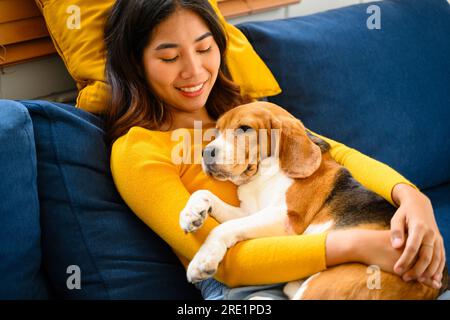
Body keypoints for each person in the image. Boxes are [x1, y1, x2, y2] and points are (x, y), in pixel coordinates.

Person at [103, 0, 445, 299]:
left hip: (327, 265)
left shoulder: (246, 112)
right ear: (136, 63)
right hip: (247, 285)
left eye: (205, 49)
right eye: (170, 57)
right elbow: (228, 265)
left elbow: (336, 153)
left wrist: (412, 198)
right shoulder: (137, 150)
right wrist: (355, 245)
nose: (194, 70)